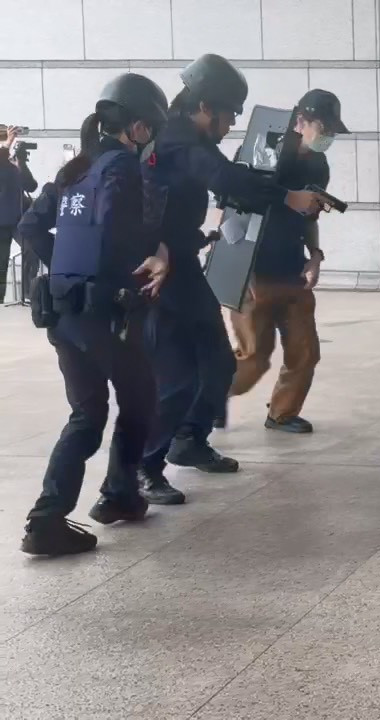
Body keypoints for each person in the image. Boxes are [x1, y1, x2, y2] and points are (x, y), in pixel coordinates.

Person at [138, 54, 323, 504]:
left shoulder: (192, 138)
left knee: (219, 361)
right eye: (230, 114)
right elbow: (223, 178)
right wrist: (287, 197)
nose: (232, 123)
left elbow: (229, 180)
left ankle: (190, 439)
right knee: (177, 375)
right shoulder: (178, 138)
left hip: (182, 263)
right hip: (158, 271)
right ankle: (144, 468)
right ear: (205, 106)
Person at [18, 74, 172, 556]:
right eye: (151, 129)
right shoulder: (123, 167)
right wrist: (153, 255)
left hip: (63, 312)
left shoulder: (74, 170)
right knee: (140, 398)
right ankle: (119, 495)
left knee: (87, 414)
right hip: (105, 314)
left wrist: (66, 272)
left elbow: (29, 226)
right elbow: (124, 229)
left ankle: (46, 519)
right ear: (138, 127)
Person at [227, 89, 348, 435]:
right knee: (254, 356)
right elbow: (233, 208)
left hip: (292, 268)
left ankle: (282, 413)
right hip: (253, 269)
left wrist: (315, 256)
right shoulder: (263, 153)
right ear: (300, 121)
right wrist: (242, 267)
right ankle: (207, 397)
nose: (328, 136)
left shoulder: (318, 164)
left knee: (305, 350)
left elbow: (310, 216)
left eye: (332, 130)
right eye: (323, 127)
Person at [1, 125, 39, 303]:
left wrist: (21, 164)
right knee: (1, 261)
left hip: (18, 219)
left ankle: (28, 294)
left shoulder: (13, 163)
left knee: (31, 249)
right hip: (1, 220)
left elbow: (31, 186)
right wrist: (8, 143)